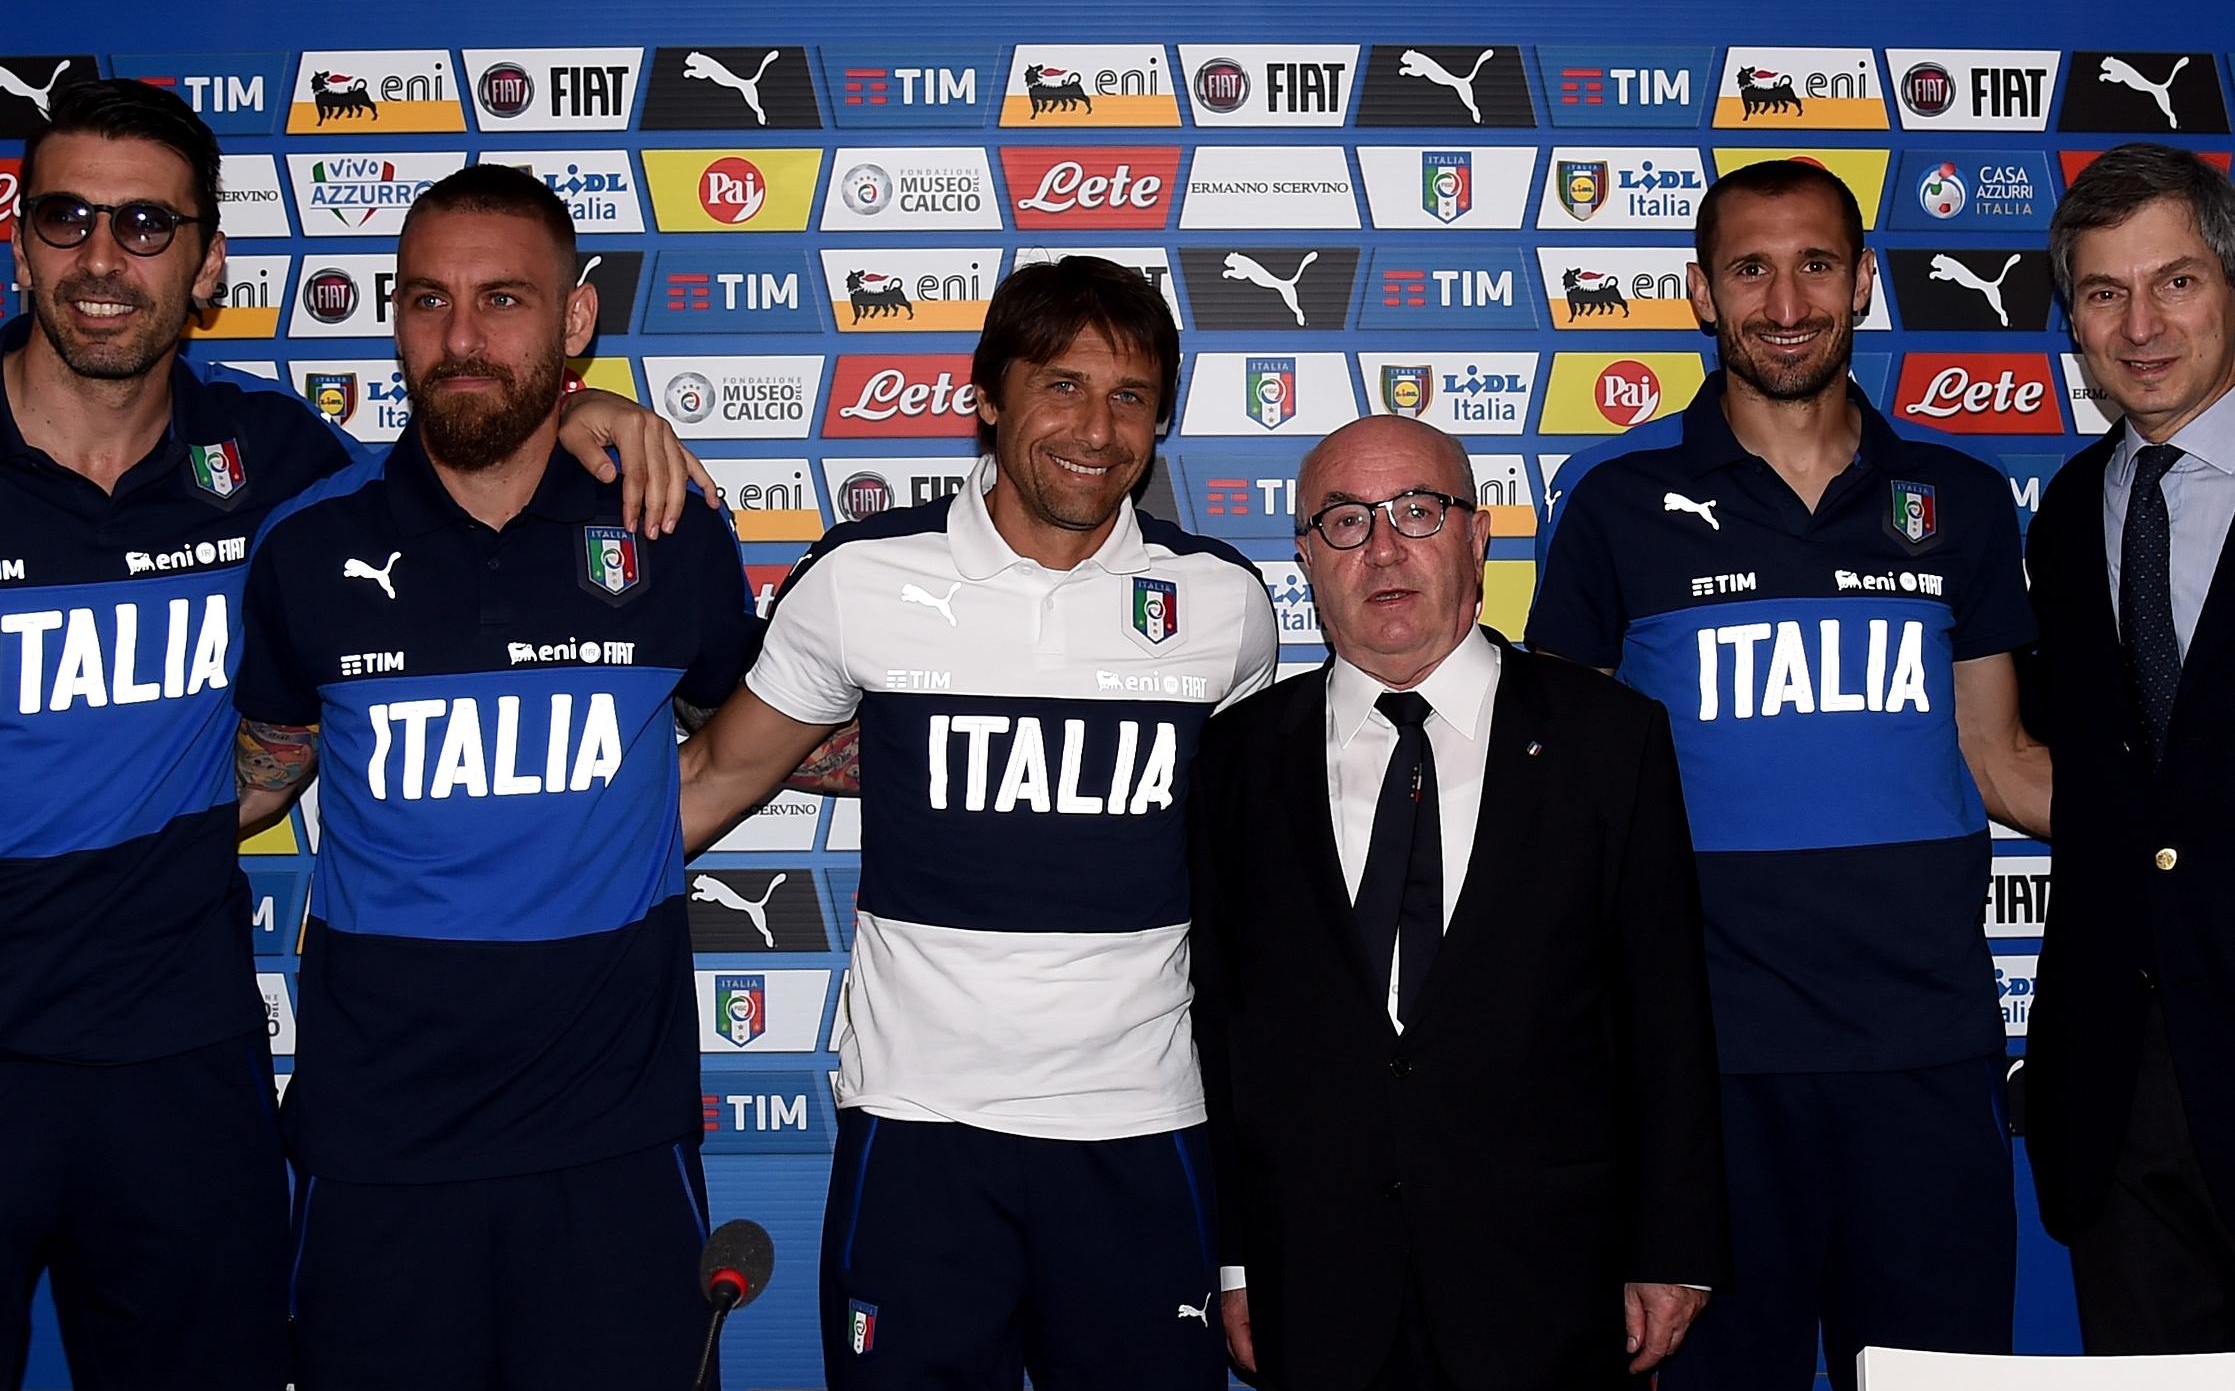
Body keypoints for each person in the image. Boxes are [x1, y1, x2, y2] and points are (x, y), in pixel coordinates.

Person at [0, 81, 707, 1391]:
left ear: (207, 260)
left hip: (180, 1058)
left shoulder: (270, 460)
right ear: (20, 233)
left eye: (146, 224)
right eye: (66, 217)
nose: (102, 257)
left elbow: (455, 460)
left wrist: (586, 411)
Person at [676, 255, 1278, 1390]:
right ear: (988, 396)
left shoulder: (1224, 607)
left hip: (1141, 1127)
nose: (1094, 427)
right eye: (1060, 384)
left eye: (1130, 395)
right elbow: (713, 776)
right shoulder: (865, 577)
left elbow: (1255, 843)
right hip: (919, 1128)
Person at [1527, 157, 2052, 1391]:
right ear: (1701, 293)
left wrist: (2181, 822)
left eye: (1816, 262)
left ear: (1864, 281)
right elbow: (1568, 799)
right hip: (1707, 1070)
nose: (1785, 300)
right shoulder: (1617, 505)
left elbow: (1997, 755)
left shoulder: (1962, 501)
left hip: (1923, 1053)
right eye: (1749, 269)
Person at [227, 165, 755, 1389]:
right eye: (427, 300)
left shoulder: (666, 528)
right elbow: (261, 765)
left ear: (575, 321)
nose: (460, 338)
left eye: (503, 299)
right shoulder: (309, 541)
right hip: (377, 1153)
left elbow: (776, 725)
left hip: (613, 1147)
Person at [1189, 414, 1728, 1391]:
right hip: (1316, 1285)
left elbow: (1666, 1011)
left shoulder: (1611, 738)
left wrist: (1671, 1242)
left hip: (1551, 1281)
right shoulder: (1237, 758)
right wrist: (1236, 1258)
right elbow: (1223, 1031)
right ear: (1306, 556)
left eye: (1419, 511)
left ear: (1479, 538)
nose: (1385, 547)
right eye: (1347, 520)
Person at [2027, 142, 2235, 1352]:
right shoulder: (2065, 512)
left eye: (2177, 281)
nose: (2141, 324)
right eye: (2105, 292)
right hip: (2121, 1106)